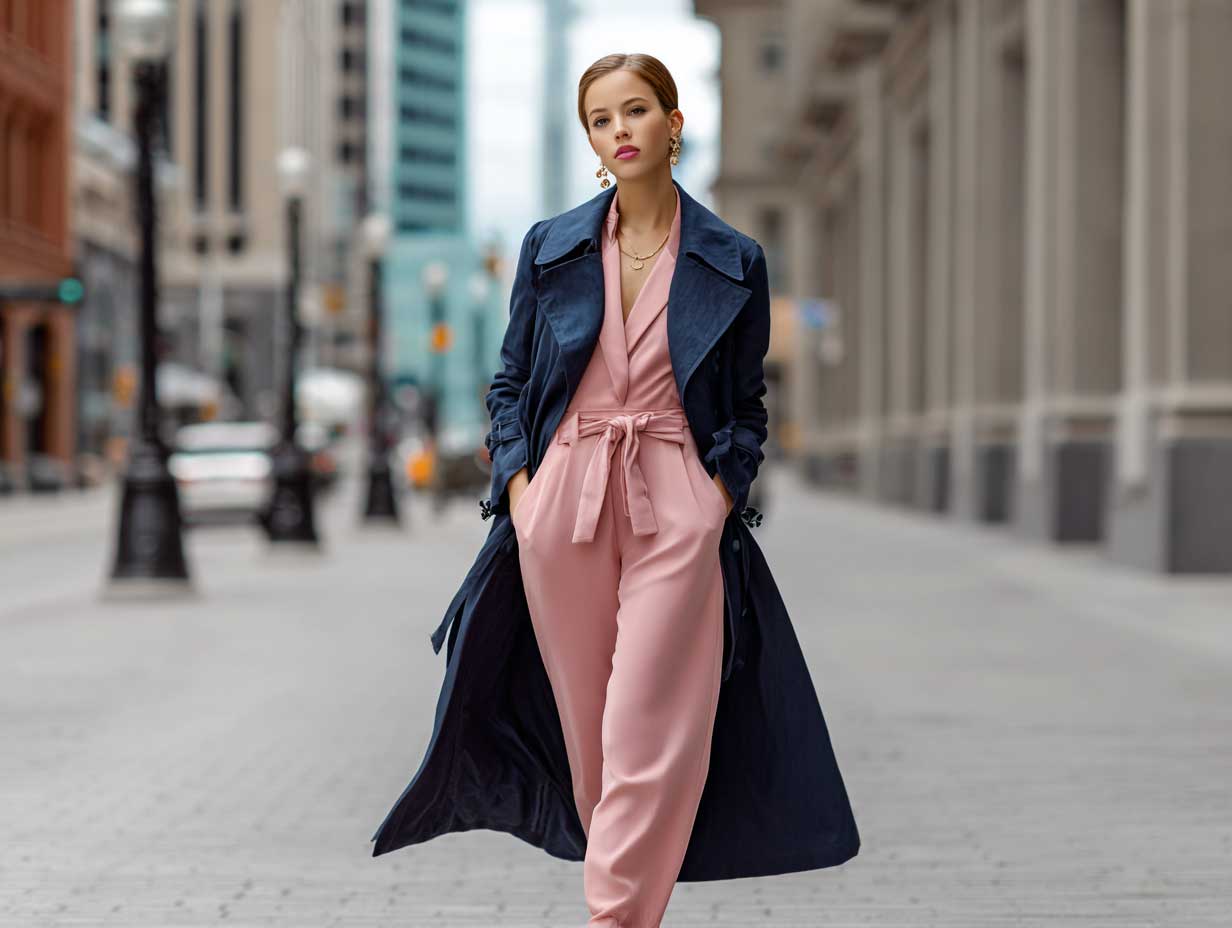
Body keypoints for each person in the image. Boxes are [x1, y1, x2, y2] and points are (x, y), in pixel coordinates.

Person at [369, 52, 860, 928]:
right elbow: (510, 382)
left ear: (673, 123)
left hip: (675, 501)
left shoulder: (733, 258)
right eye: (600, 119)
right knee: (593, 743)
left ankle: (614, 919)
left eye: (635, 110)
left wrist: (716, 497)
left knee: (647, 727)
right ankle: (628, 904)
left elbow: (748, 406)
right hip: (563, 502)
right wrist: (523, 491)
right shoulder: (551, 246)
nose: (619, 130)